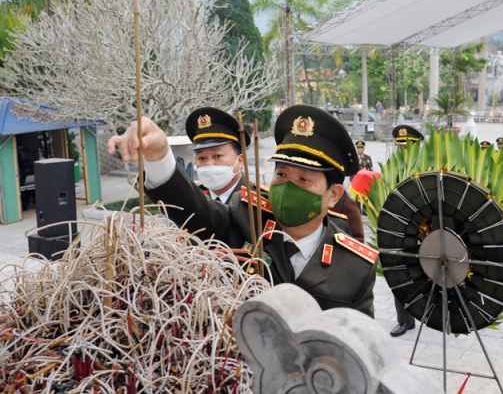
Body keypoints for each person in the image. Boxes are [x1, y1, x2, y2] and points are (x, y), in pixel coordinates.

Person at [108, 106, 378, 316]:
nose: (287, 188)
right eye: (281, 174)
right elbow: (194, 210)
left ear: (333, 195)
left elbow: (359, 343)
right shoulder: (245, 217)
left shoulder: (356, 265)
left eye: (304, 180)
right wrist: (159, 156)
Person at [389, 124, 424, 336]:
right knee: (399, 275)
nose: (403, 149)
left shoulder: (426, 165)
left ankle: (436, 314)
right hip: (399, 230)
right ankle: (405, 319)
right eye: (400, 145)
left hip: (423, 230)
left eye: (408, 145)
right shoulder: (394, 168)